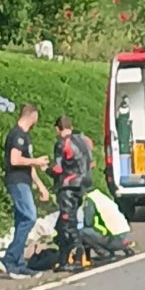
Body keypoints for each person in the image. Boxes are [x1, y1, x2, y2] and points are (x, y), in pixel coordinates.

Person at [0, 103, 50, 279]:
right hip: (17, 181)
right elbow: (15, 160)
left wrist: (40, 186)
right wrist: (36, 161)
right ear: (32, 115)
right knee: (30, 216)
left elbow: (29, 165)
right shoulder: (17, 135)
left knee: (22, 220)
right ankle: (10, 257)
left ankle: (19, 264)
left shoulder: (26, 137)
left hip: (25, 180)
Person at [46, 115, 94, 273]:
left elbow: (58, 169)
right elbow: (91, 162)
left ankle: (78, 255)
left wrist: (45, 169)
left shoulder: (62, 143)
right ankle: (64, 257)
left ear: (57, 129)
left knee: (68, 223)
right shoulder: (84, 140)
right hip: (83, 184)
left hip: (68, 186)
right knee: (63, 223)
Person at [79, 188, 135, 261]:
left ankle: (105, 253)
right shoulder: (101, 195)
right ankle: (126, 249)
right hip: (125, 234)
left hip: (114, 240)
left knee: (82, 232)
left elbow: (88, 222)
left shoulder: (89, 200)